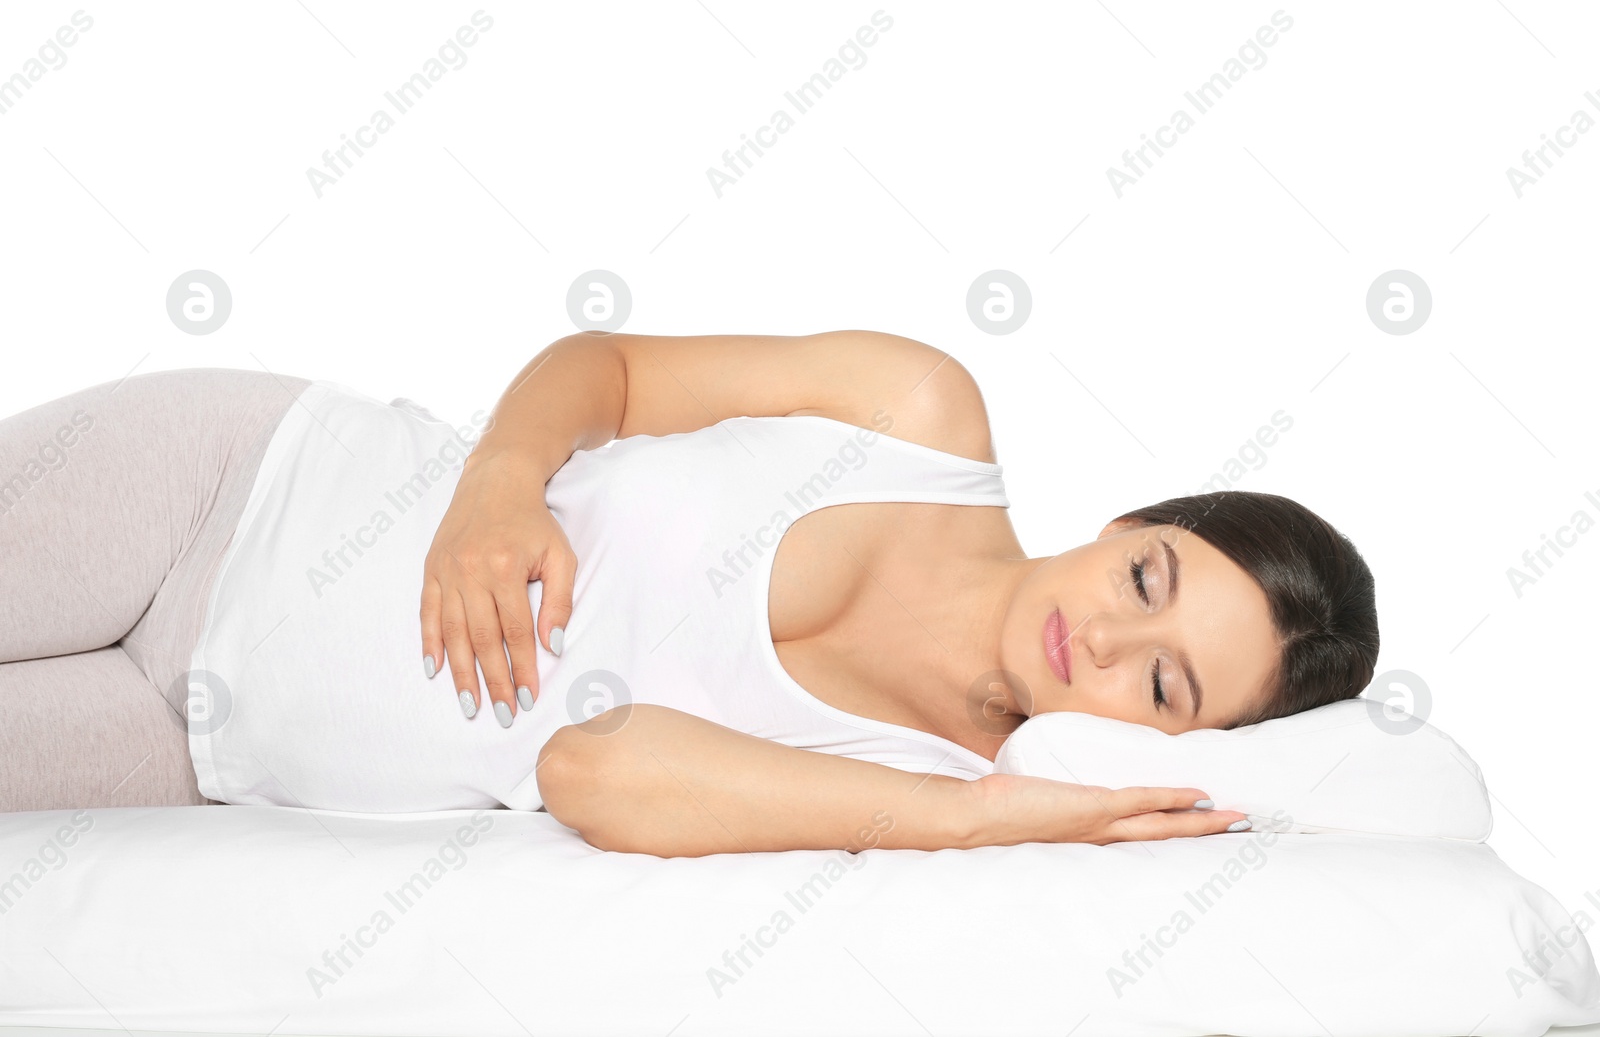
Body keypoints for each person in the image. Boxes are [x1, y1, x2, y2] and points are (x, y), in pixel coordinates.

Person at [0, 331, 1378, 859]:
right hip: (242, 484)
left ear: (1164, 743)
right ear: (1129, 524)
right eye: (1151, 577)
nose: (1112, 634)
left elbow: (595, 768)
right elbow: (606, 372)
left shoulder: (922, 781)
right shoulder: (919, 415)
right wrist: (500, 487)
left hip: (201, 747)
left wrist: (978, 821)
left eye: (1160, 681)